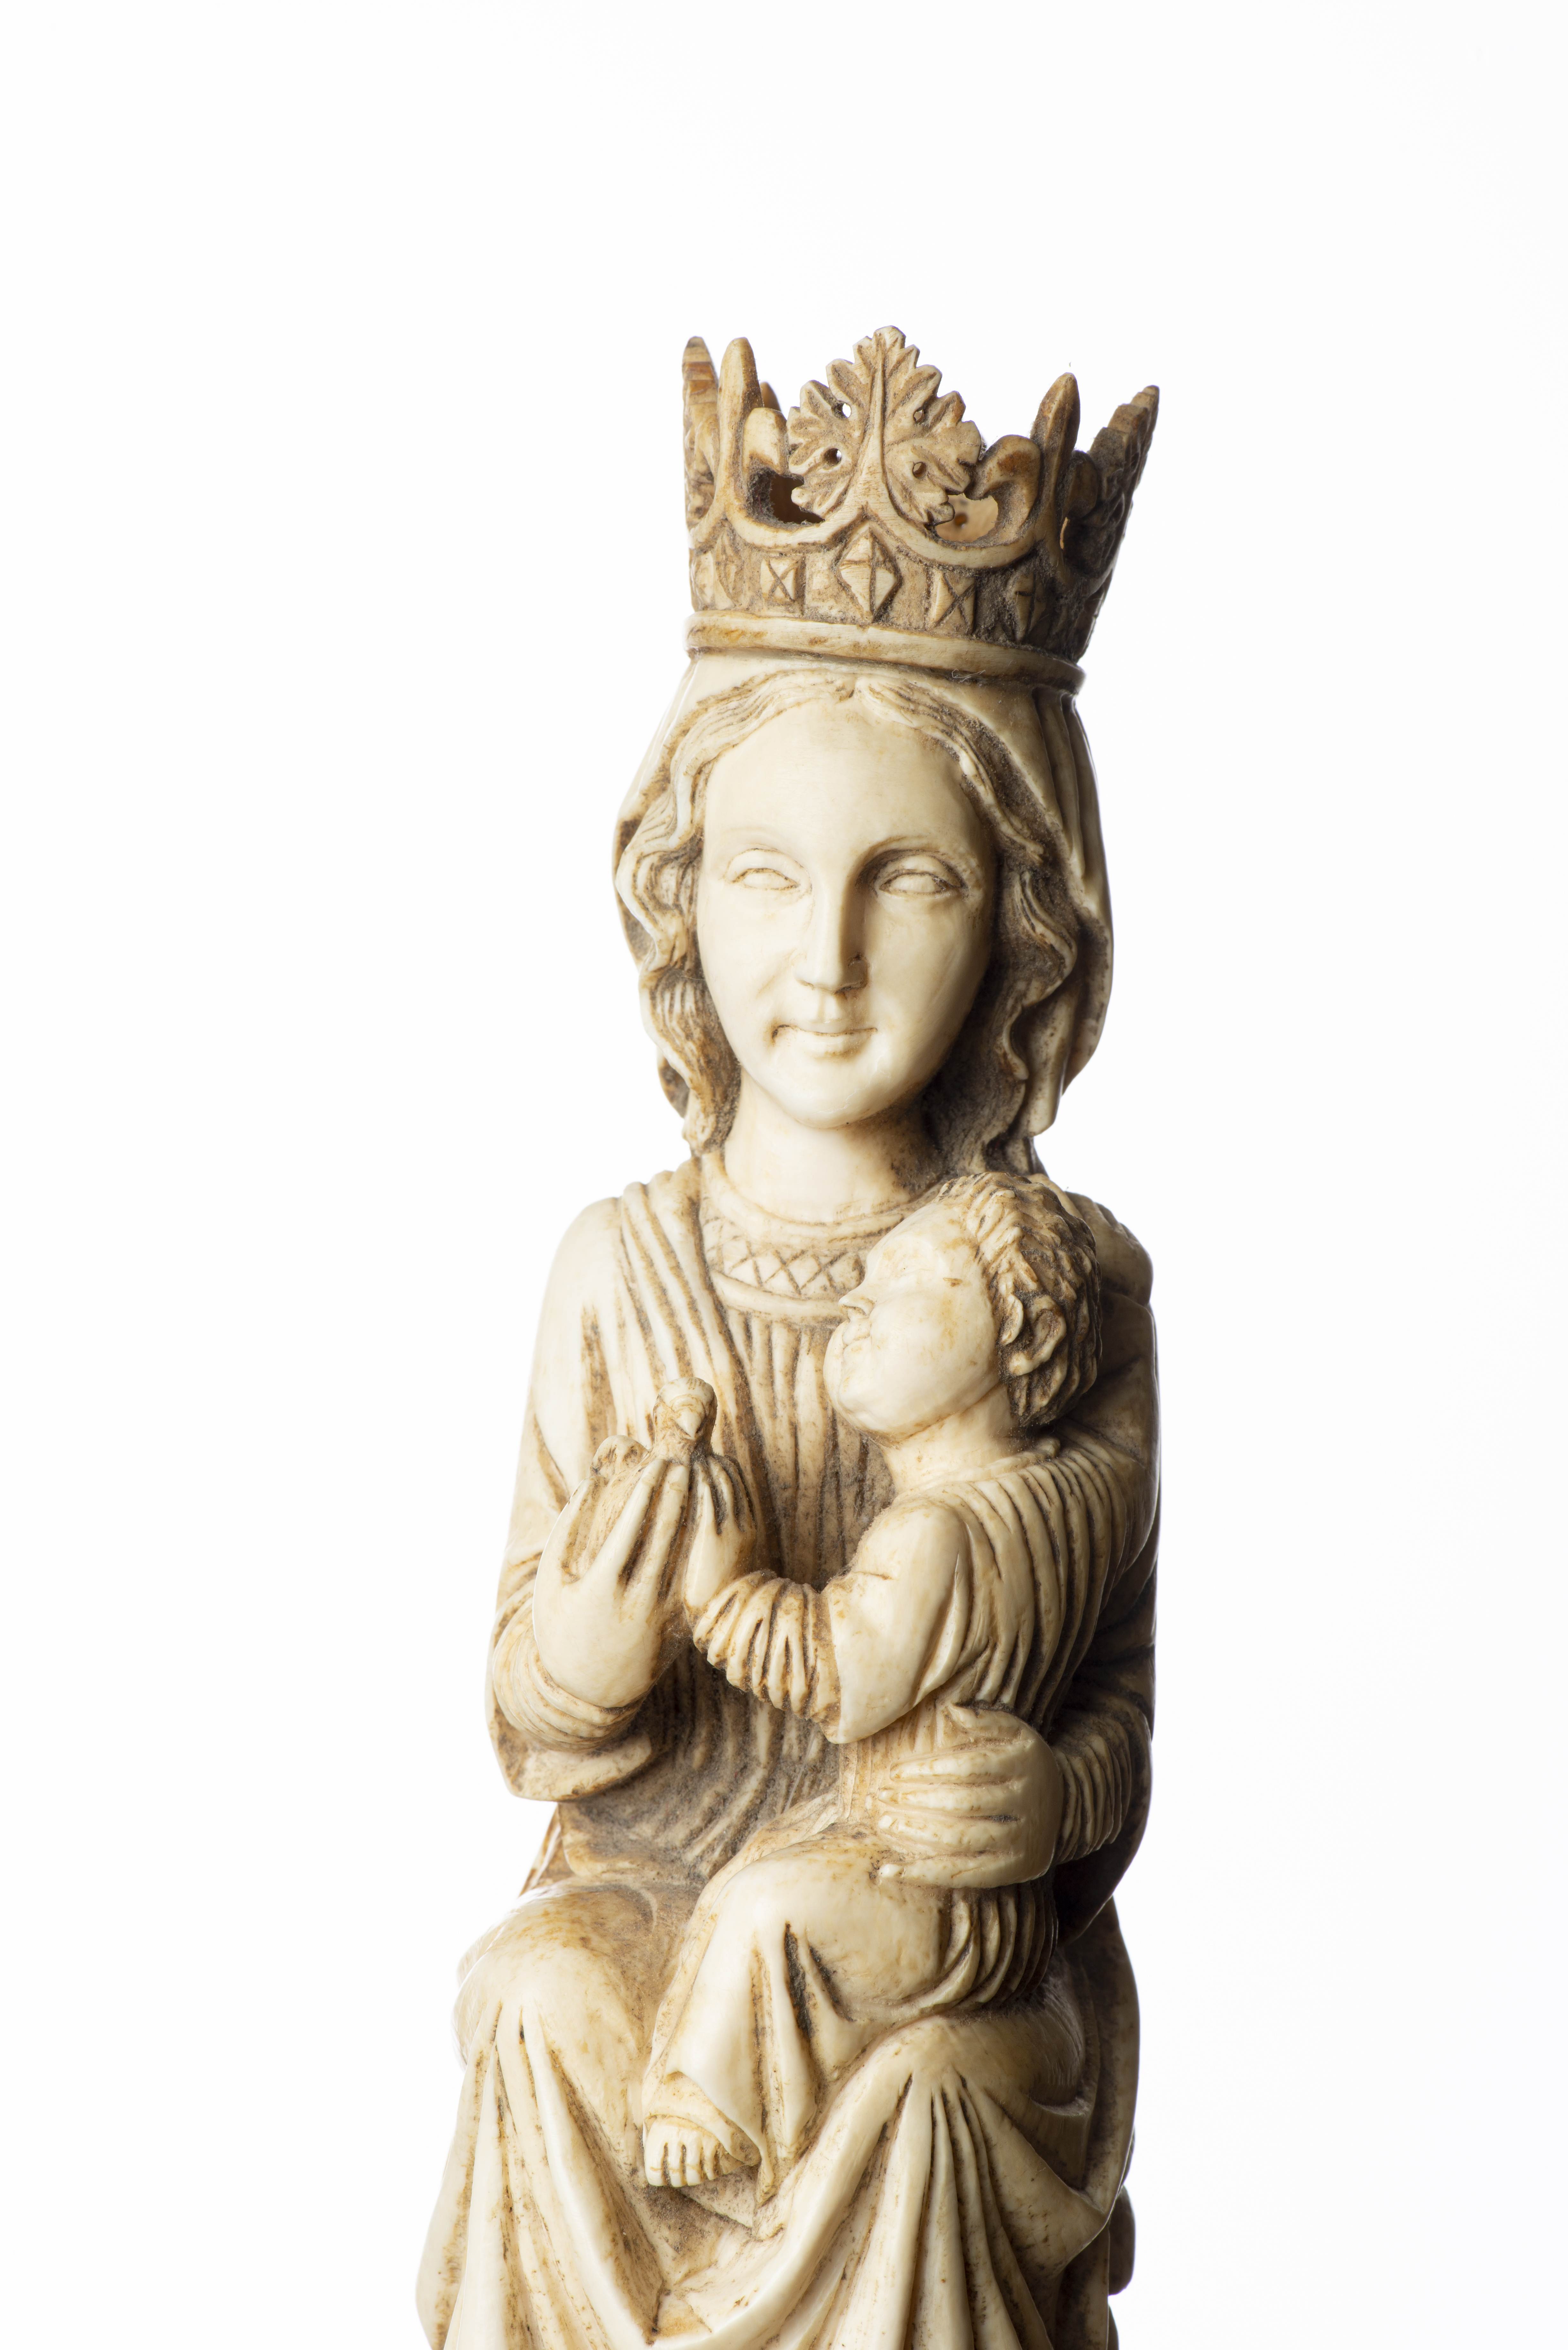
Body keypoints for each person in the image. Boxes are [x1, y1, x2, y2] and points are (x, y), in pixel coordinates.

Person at [418, 659, 1159, 2350]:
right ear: (679, 901)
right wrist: (589, 1653)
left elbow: (1119, 1707)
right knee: (536, 1996)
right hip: (651, 1879)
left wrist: (1053, 1803)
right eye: (766, 875)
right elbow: (528, 1716)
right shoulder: (619, 1270)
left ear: (1025, 922)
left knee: (934, 2089)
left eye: (909, 880)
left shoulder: (1070, 1294)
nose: (827, 956)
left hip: (938, 1921)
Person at [641, 1171, 1135, 2199]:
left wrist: (721, 1594)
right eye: (865, 1274)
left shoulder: (934, 1533)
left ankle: (706, 2111)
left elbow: (837, 1670)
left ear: (1017, 1336)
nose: (858, 1301)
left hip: (929, 1887)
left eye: (907, 1281)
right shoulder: (1076, 1496)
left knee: (760, 1903)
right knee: (762, 1883)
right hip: (996, 1908)